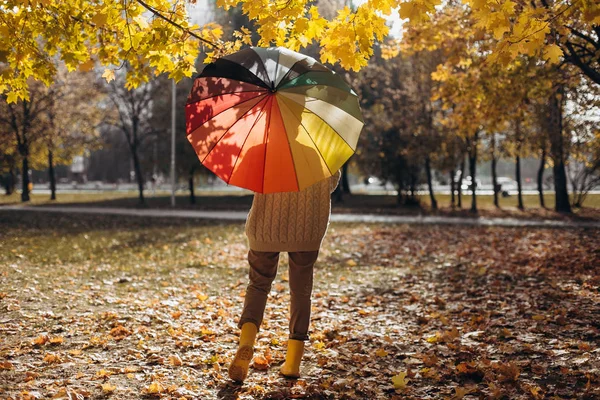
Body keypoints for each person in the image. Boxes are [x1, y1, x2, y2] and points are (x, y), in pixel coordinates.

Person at [228, 169, 342, 383]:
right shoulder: (321, 152)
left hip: (266, 226)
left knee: (258, 286)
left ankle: (247, 342)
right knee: (301, 292)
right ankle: (292, 362)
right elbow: (332, 183)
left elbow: (251, 179)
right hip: (307, 229)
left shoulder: (264, 148)